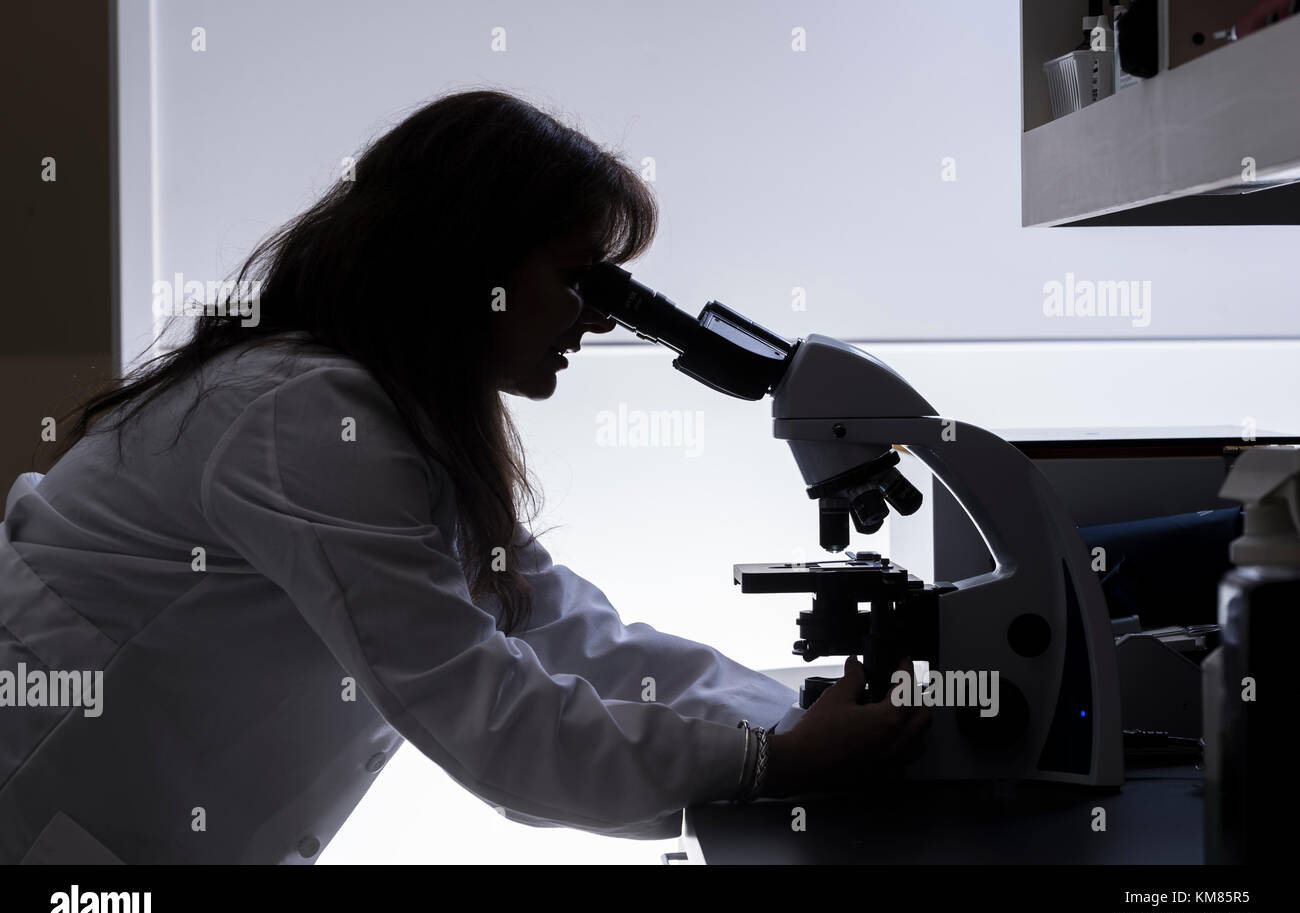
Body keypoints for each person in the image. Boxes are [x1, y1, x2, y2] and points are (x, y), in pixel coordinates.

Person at [0, 89, 930, 864]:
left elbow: (572, 633)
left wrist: (795, 717)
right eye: (581, 279)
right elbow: (494, 717)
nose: (598, 321)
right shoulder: (303, 415)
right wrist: (770, 764)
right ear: (468, 262)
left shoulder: (396, 418)